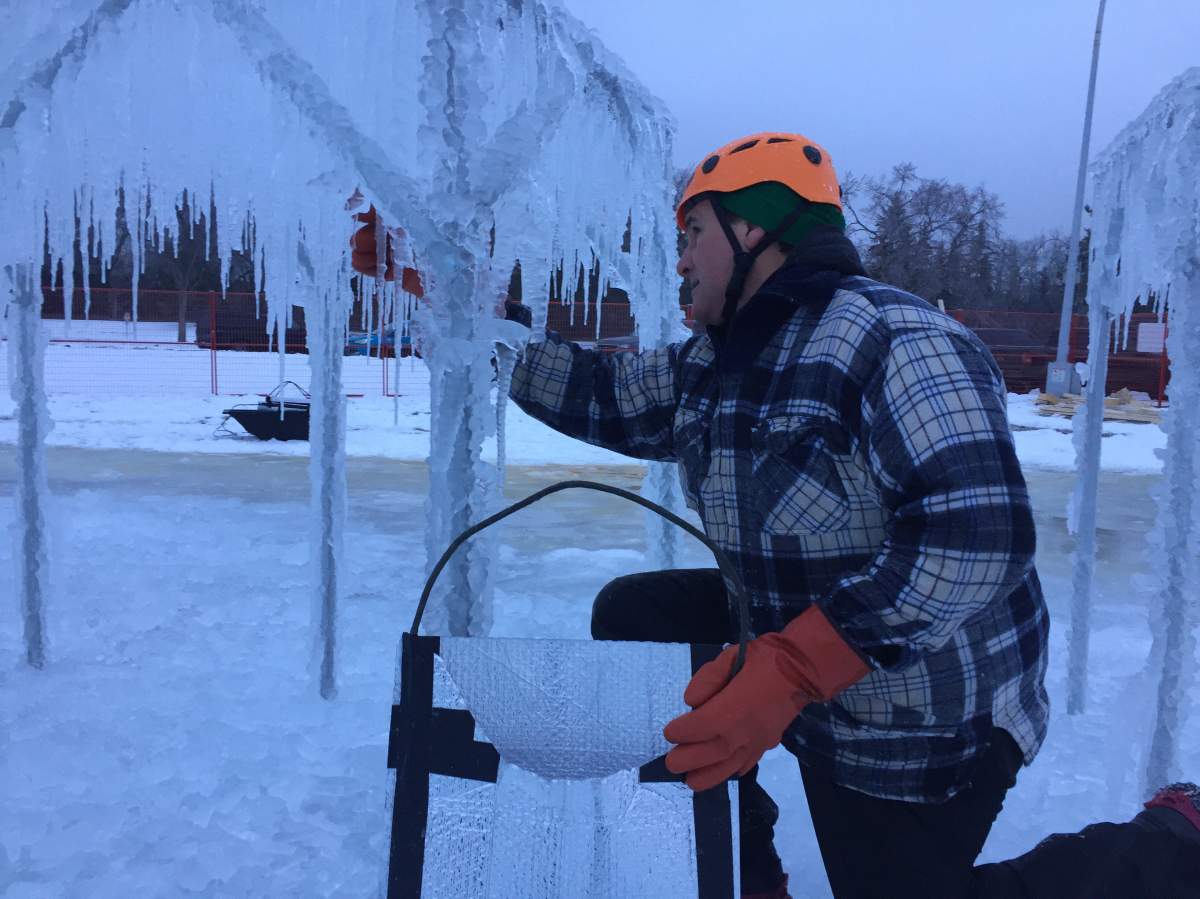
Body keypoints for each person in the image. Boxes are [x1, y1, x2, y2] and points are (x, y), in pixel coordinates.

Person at [351, 132, 1200, 898]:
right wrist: (451, 303)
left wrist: (791, 668)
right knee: (637, 613)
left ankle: (1170, 840)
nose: (678, 259)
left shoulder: (893, 336)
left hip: (929, 716)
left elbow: (976, 532)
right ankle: (738, 856)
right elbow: (594, 391)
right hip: (802, 663)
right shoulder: (714, 366)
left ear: (755, 230)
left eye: (693, 235)